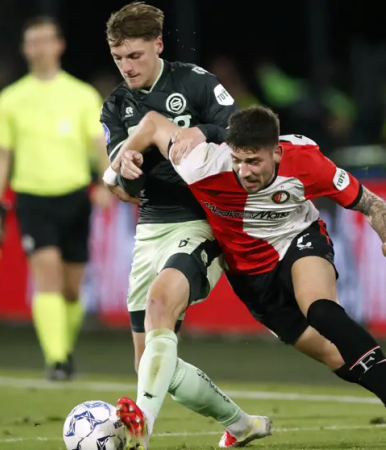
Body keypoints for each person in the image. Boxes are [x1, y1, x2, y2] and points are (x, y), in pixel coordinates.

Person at [111, 107, 386, 447]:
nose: (244, 171)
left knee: (320, 309)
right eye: (238, 160)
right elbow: (153, 122)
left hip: (299, 243)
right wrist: (119, 164)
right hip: (252, 280)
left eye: (254, 161)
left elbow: (371, 203)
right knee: (342, 359)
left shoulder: (306, 161)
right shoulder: (200, 162)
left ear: (277, 152)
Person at [99, 3, 271, 449]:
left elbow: (242, 130)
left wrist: (203, 132)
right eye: (118, 58)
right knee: (151, 368)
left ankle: (141, 429)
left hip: (202, 221)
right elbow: (120, 186)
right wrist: (127, 171)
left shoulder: (194, 82)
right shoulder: (115, 106)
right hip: (150, 230)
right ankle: (241, 424)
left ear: (158, 45)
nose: (126, 67)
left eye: (134, 56)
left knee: (160, 302)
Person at [0, 15, 113, 381]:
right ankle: (56, 360)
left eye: (45, 40)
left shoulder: (81, 94)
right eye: (33, 41)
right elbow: (0, 154)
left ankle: (63, 348)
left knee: (71, 288)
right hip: (32, 198)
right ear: (25, 49)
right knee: (47, 273)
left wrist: (106, 183)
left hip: (74, 197)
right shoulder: (11, 98)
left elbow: (99, 144)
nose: (39, 48)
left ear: (59, 45)